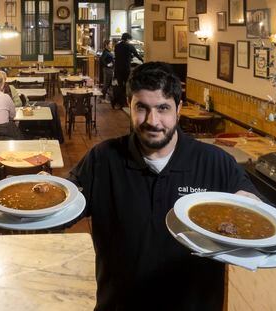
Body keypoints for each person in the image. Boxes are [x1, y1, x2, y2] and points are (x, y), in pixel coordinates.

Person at [69, 62, 262, 310]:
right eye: (142, 108)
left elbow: (252, 207)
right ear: (129, 105)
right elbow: (65, 205)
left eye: (163, 108)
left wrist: (249, 205)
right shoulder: (103, 159)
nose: (153, 121)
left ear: (178, 109)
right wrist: (47, 193)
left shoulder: (216, 162)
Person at [113, 32, 143, 108]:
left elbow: (116, 58)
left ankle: (119, 102)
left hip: (118, 68)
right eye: (129, 39)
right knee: (127, 85)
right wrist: (143, 60)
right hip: (126, 68)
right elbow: (136, 54)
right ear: (127, 39)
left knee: (120, 85)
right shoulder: (129, 46)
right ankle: (126, 102)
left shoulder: (117, 46)